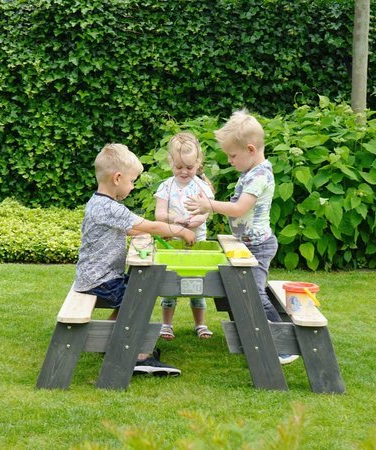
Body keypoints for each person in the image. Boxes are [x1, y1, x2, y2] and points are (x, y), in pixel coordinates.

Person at [184, 110, 299, 365]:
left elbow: (238, 209)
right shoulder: (250, 173)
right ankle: (254, 334)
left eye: (232, 155)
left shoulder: (260, 176)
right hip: (247, 245)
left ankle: (284, 346)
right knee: (244, 291)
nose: (229, 160)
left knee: (255, 293)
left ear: (250, 149)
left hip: (259, 247)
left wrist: (209, 205)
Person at [73, 143, 196, 376]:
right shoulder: (110, 208)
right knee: (140, 295)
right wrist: (179, 231)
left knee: (136, 288)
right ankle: (139, 356)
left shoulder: (99, 203)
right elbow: (147, 225)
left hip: (95, 277)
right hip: (100, 280)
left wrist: (157, 232)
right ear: (118, 178)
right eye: (132, 181)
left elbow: (133, 229)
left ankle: (109, 340)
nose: (132, 186)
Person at [154, 132, 215, 341]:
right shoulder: (166, 186)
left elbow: (206, 212)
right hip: (173, 243)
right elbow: (159, 214)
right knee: (169, 284)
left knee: (197, 284)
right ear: (170, 162)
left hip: (197, 242)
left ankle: (200, 324)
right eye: (179, 167)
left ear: (198, 163)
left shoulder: (201, 186)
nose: (184, 172)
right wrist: (175, 219)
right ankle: (166, 324)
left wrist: (193, 222)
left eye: (189, 168)